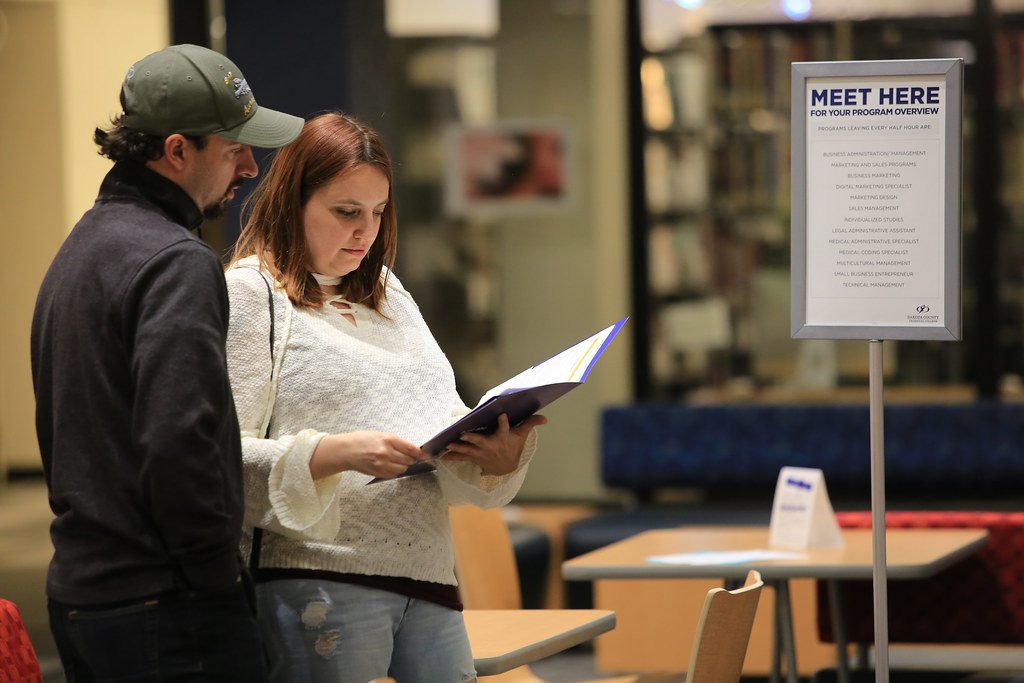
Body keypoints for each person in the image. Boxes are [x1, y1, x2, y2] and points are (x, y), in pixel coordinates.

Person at [224, 111, 546, 683]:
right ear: (291, 202)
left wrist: (493, 457)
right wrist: (334, 454)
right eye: (346, 212)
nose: (365, 233)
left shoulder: (387, 294)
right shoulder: (252, 294)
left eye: (377, 213)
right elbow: (220, 459)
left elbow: (441, 416)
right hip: (320, 575)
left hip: (428, 571)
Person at [30, 44, 304, 682]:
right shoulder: (173, 261)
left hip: (87, 595)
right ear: (178, 150)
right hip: (167, 604)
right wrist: (216, 579)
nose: (249, 165)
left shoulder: (84, 246)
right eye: (233, 147)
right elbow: (179, 440)